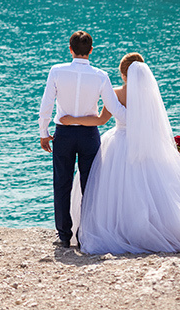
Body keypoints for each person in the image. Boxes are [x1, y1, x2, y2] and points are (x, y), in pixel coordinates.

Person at [61, 53, 180, 254]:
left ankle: (122, 229)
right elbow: (157, 125)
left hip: (118, 144)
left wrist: (72, 119)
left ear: (123, 75)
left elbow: (99, 120)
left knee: (115, 191)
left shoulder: (115, 93)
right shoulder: (149, 95)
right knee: (152, 189)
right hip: (147, 144)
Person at [37, 31, 127, 248]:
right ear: (91, 50)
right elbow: (115, 108)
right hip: (89, 135)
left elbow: (47, 103)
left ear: (70, 49)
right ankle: (86, 234)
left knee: (62, 184)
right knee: (91, 185)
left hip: (64, 133)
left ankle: (64, 236)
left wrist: (43, 133)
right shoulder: (101, 76)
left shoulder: (56, 71)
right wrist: (138, 123)